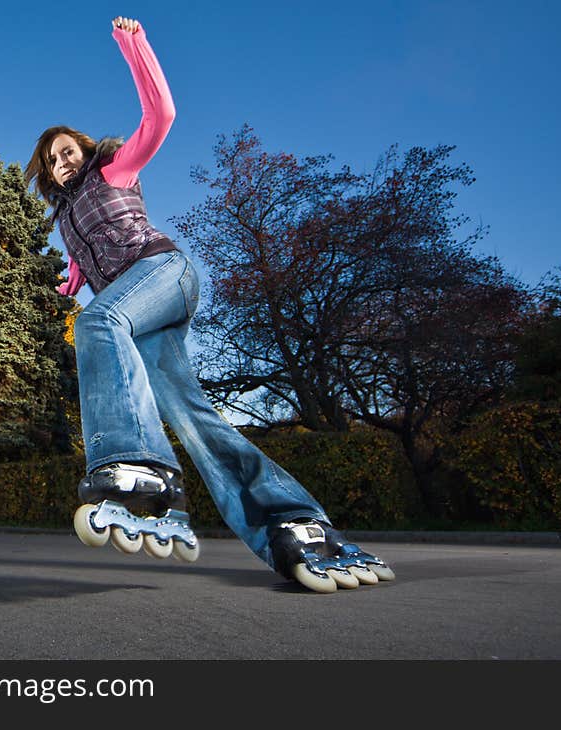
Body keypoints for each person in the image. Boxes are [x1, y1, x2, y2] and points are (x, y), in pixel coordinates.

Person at [25, 15, 394, 593]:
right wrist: (68, 283)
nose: (62, 163)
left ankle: (136, 465)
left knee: (98, 321)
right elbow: (82, 265)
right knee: (193, 419)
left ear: (84, 148)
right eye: (52, 161)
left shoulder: (115, 168)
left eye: (67, 151)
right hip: (138, 309)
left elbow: (161, 116)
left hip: (164, 274)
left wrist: (133, 45)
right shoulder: (67, 219)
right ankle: (293, 523)